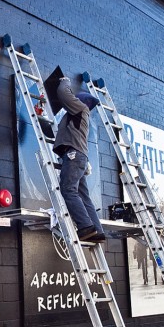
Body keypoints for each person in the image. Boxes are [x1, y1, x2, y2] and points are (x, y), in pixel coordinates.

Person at [51, 75, 105, 242]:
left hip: (73, 156)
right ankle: (97, 231)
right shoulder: (81, 115)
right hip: (79, 157)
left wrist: (65, 81)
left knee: (68, 190)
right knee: (83, 196)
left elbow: (62, 92)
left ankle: (85, 227)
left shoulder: (80, 108)